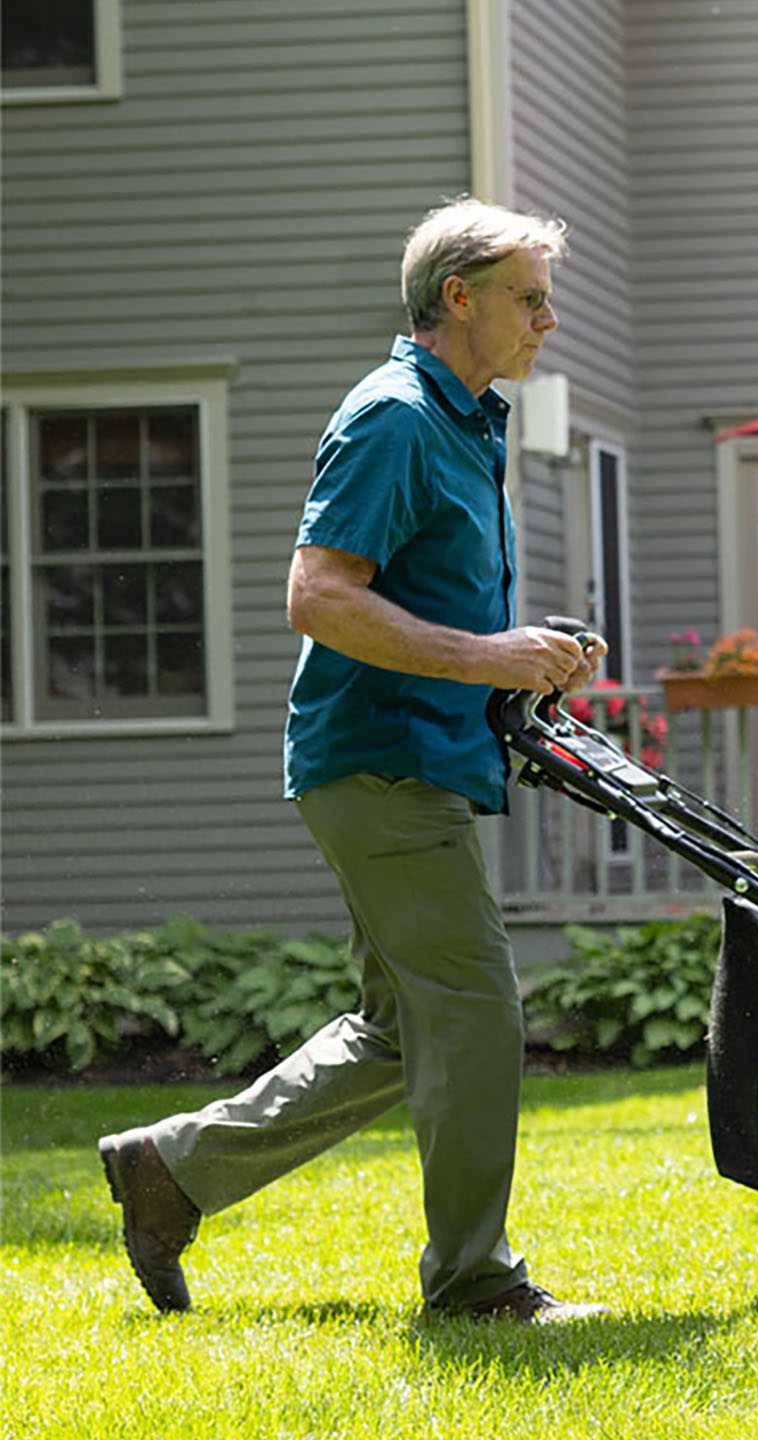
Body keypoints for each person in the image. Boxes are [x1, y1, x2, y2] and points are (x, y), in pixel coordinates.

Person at [99, 198, 611, 1324]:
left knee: (402, 1027)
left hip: (411, 760)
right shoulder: (393, 418)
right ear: (459, 298)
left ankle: (169, 1173)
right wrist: (489, 655)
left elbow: (422, 599)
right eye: (530, 298)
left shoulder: (464, 422)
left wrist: (525, 662)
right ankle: (475, 1283)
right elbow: (319, 595)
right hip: (380, 764)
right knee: (473, 1011)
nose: (550, 320)